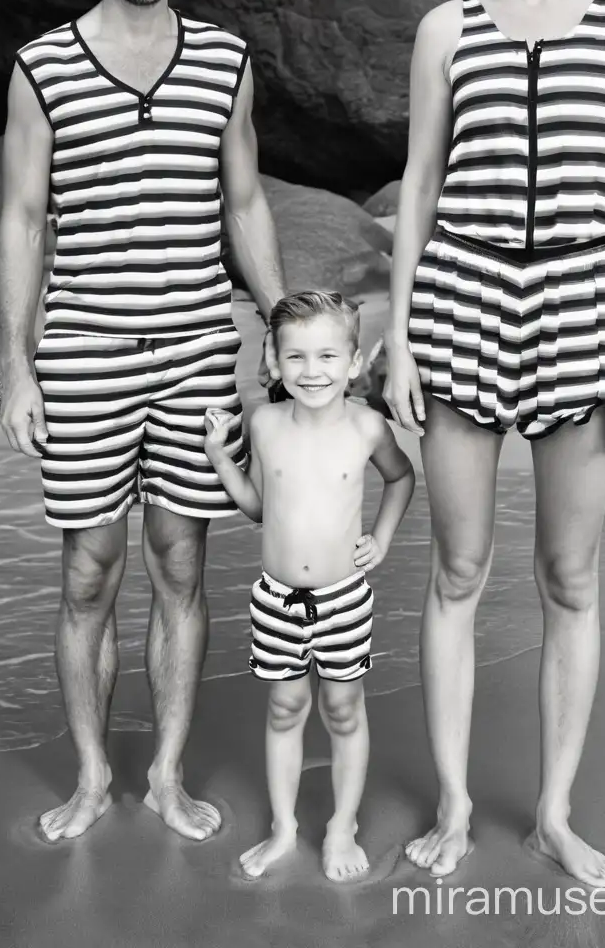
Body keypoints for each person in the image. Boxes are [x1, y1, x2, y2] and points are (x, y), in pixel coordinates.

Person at [383, 0, 605, 884]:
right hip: (459, 296)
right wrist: (402, 337)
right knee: (455, 569)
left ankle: (552, 809)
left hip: (586, 305)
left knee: (569, 574)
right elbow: (414, 188)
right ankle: (455, 802)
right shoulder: (444, 28)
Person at [0, 0, 285, 844]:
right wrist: (19, 366)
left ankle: (164, 771)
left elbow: (243, 201)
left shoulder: (225, 58)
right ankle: (88, 775)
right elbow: (24, 219)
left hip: (200, 344)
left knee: (180, 564)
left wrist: (281, 323)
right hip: (84, 348)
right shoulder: (42, 65)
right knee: (88, 570)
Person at [204, 291, 415, 881]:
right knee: (285, 707)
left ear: (353, 362)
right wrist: (221, 460)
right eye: (295, 357)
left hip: (343, 597)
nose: (311, 370)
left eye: (327, 356)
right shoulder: (264, 423)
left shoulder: (367, 426)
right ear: (272, 360)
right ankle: (283, 828)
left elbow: (401, 479)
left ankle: (342, 826)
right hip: (274, 599)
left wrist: (382, 537)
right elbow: (255, 508)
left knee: (344, 710)